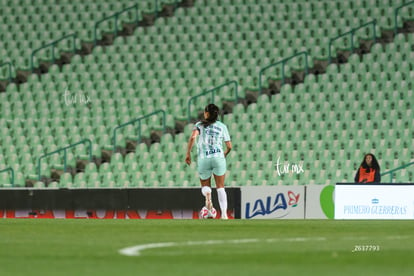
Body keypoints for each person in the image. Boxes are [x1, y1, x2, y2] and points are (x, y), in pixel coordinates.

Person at [185, 104, 232, 219]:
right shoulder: (222, 126)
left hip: (204, 159)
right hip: (218, 158)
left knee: (205, 186)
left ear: (206, 113)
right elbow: (229, 146)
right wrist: (224, 154)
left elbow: (192, 138)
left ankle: (207, 194)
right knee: (220, 187)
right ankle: (224, 215)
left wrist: (188, 154)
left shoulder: (199, 125)